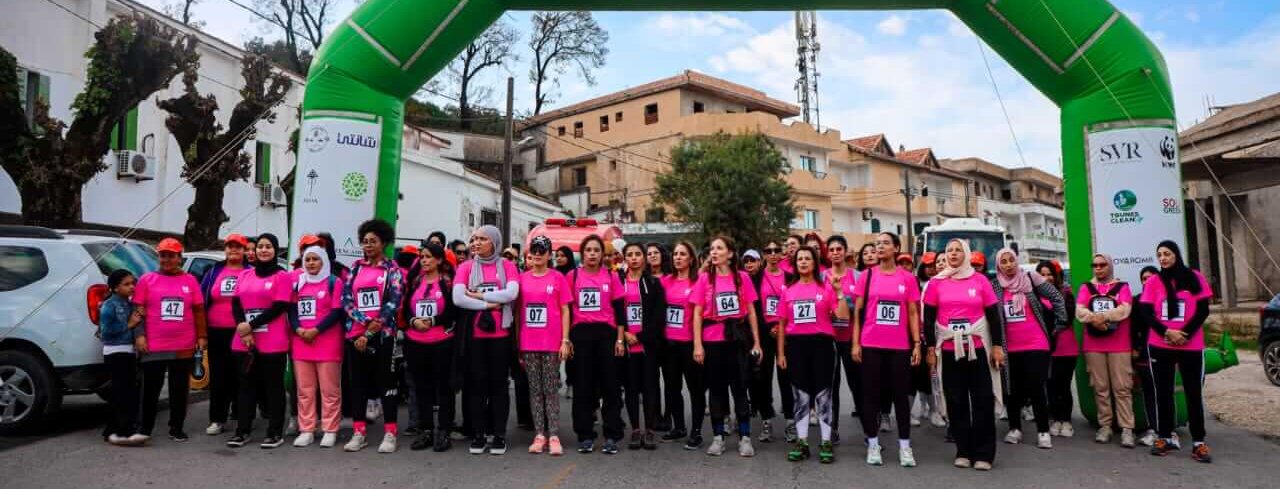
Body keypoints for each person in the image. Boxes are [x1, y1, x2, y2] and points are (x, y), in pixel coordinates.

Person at [923, 238, 1004, 471]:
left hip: (977, 349)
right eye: (950, 250)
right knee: (956, 401)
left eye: (958, 250)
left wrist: (997, 346)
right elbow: (928, 320)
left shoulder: (980, 281)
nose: (954, 253)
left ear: (966, 254)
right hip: (948, 350)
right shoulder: (936, 283)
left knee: (982, 400)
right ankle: (963, 450)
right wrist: (930, 349)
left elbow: (993, 316)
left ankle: (984, 454)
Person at [852, 232, 923, 467]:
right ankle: (873, 444)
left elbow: (913, 312)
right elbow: (858, 312)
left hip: (899, 346)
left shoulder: (907, 278)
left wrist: (916, 344)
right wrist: (855, 343)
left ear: (896, 248)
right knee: (870, 396)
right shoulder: (866, 276)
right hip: (871, 344)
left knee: (900, 397)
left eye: (885, 244)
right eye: (877, 244)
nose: (879, 247)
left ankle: (905, 447)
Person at [1140, 241, 1213, 462]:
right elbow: (1146, 312)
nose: (1163, 258)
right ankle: (1165, 437)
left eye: (1167, 254)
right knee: (1162, 392)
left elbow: (1203, 309)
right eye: (1159, 254)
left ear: (1176, 255)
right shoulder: (1153, 281)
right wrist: (1167, 332)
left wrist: (1185, 334)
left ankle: (1198, 442)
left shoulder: (1194, 277)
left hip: (1190, 345)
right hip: (1160, 344)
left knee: (1193, 393)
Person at [452, 225, 521, 456]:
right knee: (477, 387)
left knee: (499, 387)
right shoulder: (465, 267)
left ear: (494, 242)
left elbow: (511, 294)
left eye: (482, 239)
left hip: (501, 336)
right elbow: (459, 298)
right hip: (475, 337)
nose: (476, 243)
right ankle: (479, 433)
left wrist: (478, 294)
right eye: (474, 239)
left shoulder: (508, 266)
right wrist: (489, 304)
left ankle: (499, 434)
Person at [691, 235, 763, 457]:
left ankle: (744, 437)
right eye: (711, 248)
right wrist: (697, 345)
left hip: (737, 341)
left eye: (719, 248)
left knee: (740, 389)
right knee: (717, 391)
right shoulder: (704, 279)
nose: (713, 252)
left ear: (730, 254)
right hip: (712, 341)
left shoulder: (742, 278)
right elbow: (697, 314)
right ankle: (718, 437)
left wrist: (757, 342)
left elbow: (751, 311)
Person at [777, 246, 848, 464]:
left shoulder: (826, 288)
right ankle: (802, 441)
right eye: (800, 259)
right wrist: (781, 353)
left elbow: (842, 317)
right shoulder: (787, 290)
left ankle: (826, 441)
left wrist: (838, 291)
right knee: (801, 396)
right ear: (795, 264)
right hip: (796, 346)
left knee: (823, 394)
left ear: (814, 263)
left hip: (822, 346)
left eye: (808, 258)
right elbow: (781, 324)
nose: (804, 262)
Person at [991, 248, 1067, 450]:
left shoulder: (1030, 279)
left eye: (1011, 260)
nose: (1008, 265)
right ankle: (1015, 428)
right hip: (1010, 347)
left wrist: (1059, 324)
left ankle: (1043, 431)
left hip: (1036, 343)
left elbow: (1057, 297)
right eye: (1003, 262)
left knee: (1037, 388)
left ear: (1017, 261)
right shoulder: (995, 286)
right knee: (1012, 389)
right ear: (998, 265)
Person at [341, 219, 406, 453]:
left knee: (385, 384)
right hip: (356, 334)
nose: (368, 245)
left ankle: (390, 432)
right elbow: (346, 300)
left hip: (383, 334)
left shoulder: (392, 270)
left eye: (373, 241)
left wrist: (372, 328)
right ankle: (359, 432)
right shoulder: (355, 268)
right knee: (357, 384)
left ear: (384, 242)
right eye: (365, 241)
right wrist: (364, 321)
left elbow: (394, 301)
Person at [133, 238, 207, 443]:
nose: (166, 259)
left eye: (171, 255)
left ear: (179, 258)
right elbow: (138, 310)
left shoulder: (190, 281)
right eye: (163, 255)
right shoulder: (146, 280)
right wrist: (139, 335)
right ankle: (144, 428)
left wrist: (202, 336)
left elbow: (199, 311)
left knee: (179, 389)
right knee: (150, 389)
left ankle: (176, 427)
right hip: (154, 345)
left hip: (183, 345)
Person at [226, 234, 293, 449]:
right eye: (260, 247)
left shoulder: (282, 277)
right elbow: (236, 305)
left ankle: (274, 432)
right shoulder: (245, 275)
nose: (263, 250)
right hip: (244, 341)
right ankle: (242, 431)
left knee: (273, 388)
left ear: (275, 250)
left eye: (268, 247)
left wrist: (251, 325)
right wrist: (243, 328)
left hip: (272, 341)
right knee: (245, 388)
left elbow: (280, 306)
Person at [566, 235, 627, 454]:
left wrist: (620, 339)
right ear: (582, 253)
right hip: (580, 335)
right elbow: (565, 311)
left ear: (603, 254)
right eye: (588, 250)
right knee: (583, 386)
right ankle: (585, 434)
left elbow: (620, 312)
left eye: (596, 250)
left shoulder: (611, 277)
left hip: (607, 334)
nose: (592, 254)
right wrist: (567, 339)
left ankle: (612, 434)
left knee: (610, 386)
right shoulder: (572, 276)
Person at [398, 243, 458, 452]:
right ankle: (425, 431)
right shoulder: (415, 282)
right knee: (421, 387)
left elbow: (452, 311)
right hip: (415, 342)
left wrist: (432, 320)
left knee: (443, 388)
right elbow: (404, 309)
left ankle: (443, 431)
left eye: (429, 257)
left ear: (439, 260)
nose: (424, 260)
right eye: (422, 257)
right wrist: (413, 321)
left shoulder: (448, 283)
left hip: (441, 342)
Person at [516, 236, 573, 456]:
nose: (538, 254)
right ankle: (540, 434)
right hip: (528, 342)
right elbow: (519, 312)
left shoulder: (558, 278)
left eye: (543, 250)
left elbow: (566, 309)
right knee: (535, 390)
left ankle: (554, 435)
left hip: (551, 343)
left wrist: (565, 340)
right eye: (534, 250)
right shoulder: (522, 279)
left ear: (550, 254)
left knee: (550, 390)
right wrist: (518, 344)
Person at [287, 245, 347, 449]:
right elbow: (292, 311)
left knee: (329, 390)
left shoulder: (334, 282)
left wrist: (316, 330)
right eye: (307, 259)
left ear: (324, 261)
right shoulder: (299, 284)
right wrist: (298, 330)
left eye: (315, 259)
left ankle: (330, 429)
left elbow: (337, 311)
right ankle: (307, 429)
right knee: (305, 390)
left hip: (327, 343)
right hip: (302, 343)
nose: (311, 263)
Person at [1076, 253, 1137, 448]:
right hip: (1094, 346)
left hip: (1119, 346)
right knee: (1100, 388)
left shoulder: (1123, 287)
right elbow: (1080, 311)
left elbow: (1125, 310)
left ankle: (1127, 428)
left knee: (1122, 388)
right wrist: (1095, 319)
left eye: (1102, 264)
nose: (1098, 268)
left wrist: (1100, 317)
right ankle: (1105, 426)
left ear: (1109, 266)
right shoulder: (1086, 287)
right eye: (1095, 265)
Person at [197, 233, 250, 437]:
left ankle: (240, 416)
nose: (233, 250)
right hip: (216, 331)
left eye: (238, 247)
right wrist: (201, 333)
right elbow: (201, 301)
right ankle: (217, 418)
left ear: (245, 251)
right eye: (230, 246)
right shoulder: (213, 272)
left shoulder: (250, 272)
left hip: (241, 332)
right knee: (219, 377)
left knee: (241, 375)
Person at [619, 242, 667, 450]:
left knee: (649, 389)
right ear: (625, 258)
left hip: (647, 346)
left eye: (638, 254)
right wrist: (625, 335)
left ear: (644, 258)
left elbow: (658, 317)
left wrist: (640, 336)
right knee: (630, 389)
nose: (634, 258)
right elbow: (613, 312)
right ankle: (635, 429)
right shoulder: (618, 282)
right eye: (630, 254)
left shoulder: (654, 284)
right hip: (625, 344)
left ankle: (649, 429)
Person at [750, 240, 795, 444]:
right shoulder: (756, 278)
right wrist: (769, 328)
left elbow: (795, 304)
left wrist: (782, 328)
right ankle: (766, 419)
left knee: (786, 378)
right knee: (763, 378)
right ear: (764, 254)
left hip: (786, 335)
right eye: (769, 251)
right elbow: (754, 308)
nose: (774, 254)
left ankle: (790, 420)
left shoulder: (790, 278)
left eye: (777, 250)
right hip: (765, 334)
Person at [660, 242, 705, 448]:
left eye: (682, 254)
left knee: (695, 389)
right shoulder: (666, 281)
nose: (677, 257)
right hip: (669, 344)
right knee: (671, 388)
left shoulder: (698, 281)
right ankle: (678, 427)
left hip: (689, 343)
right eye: (675, 254)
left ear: (691, 259)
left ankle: (696, 431)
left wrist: (698, 345)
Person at [1034, 260, 1078, 439]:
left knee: (1064, 386)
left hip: (1066, 347)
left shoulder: (1066, 293)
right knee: (1050, 386)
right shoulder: (1033, 296)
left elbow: (1067, 317)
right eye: (1042, 274)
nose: (1046, 278)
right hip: (1043, 348)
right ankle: (1055, 419)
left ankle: (1066, 420)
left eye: (1049, 274)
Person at [100, 269, 145, 446]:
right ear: (115, 287)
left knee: (128, 391)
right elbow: (106, 332)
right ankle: (119, 430)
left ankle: (119, 428)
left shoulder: (128, 303)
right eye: (126, 284)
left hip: (128, 351)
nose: (132, 287)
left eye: (133, 283)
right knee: (121, 392)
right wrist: (129, 324)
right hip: (115, 351)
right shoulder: (109, 305)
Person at [824, 235, 860, 443]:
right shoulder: (821, 277)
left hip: (852, 339)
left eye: (839, 249)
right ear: (827, 253)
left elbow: (862, 311)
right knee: (831, 387)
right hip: (829, 340)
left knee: (858, 385)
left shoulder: (857, 276)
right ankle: (832, 429)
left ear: (846, 252)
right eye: (832, 249)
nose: (836, 253)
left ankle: (868, 432)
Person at [1133, 265, 1161, 447]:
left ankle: (1167, 429)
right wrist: (1135, 348)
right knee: (1149, 392)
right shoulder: (1137, 301)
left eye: (1151, 277)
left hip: (1165, 352)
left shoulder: (1167, 299)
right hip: (1144, 354)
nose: (1147, 281)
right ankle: (1153, 429)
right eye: (1144, 278)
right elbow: (1133, 328)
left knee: (1165, 393)